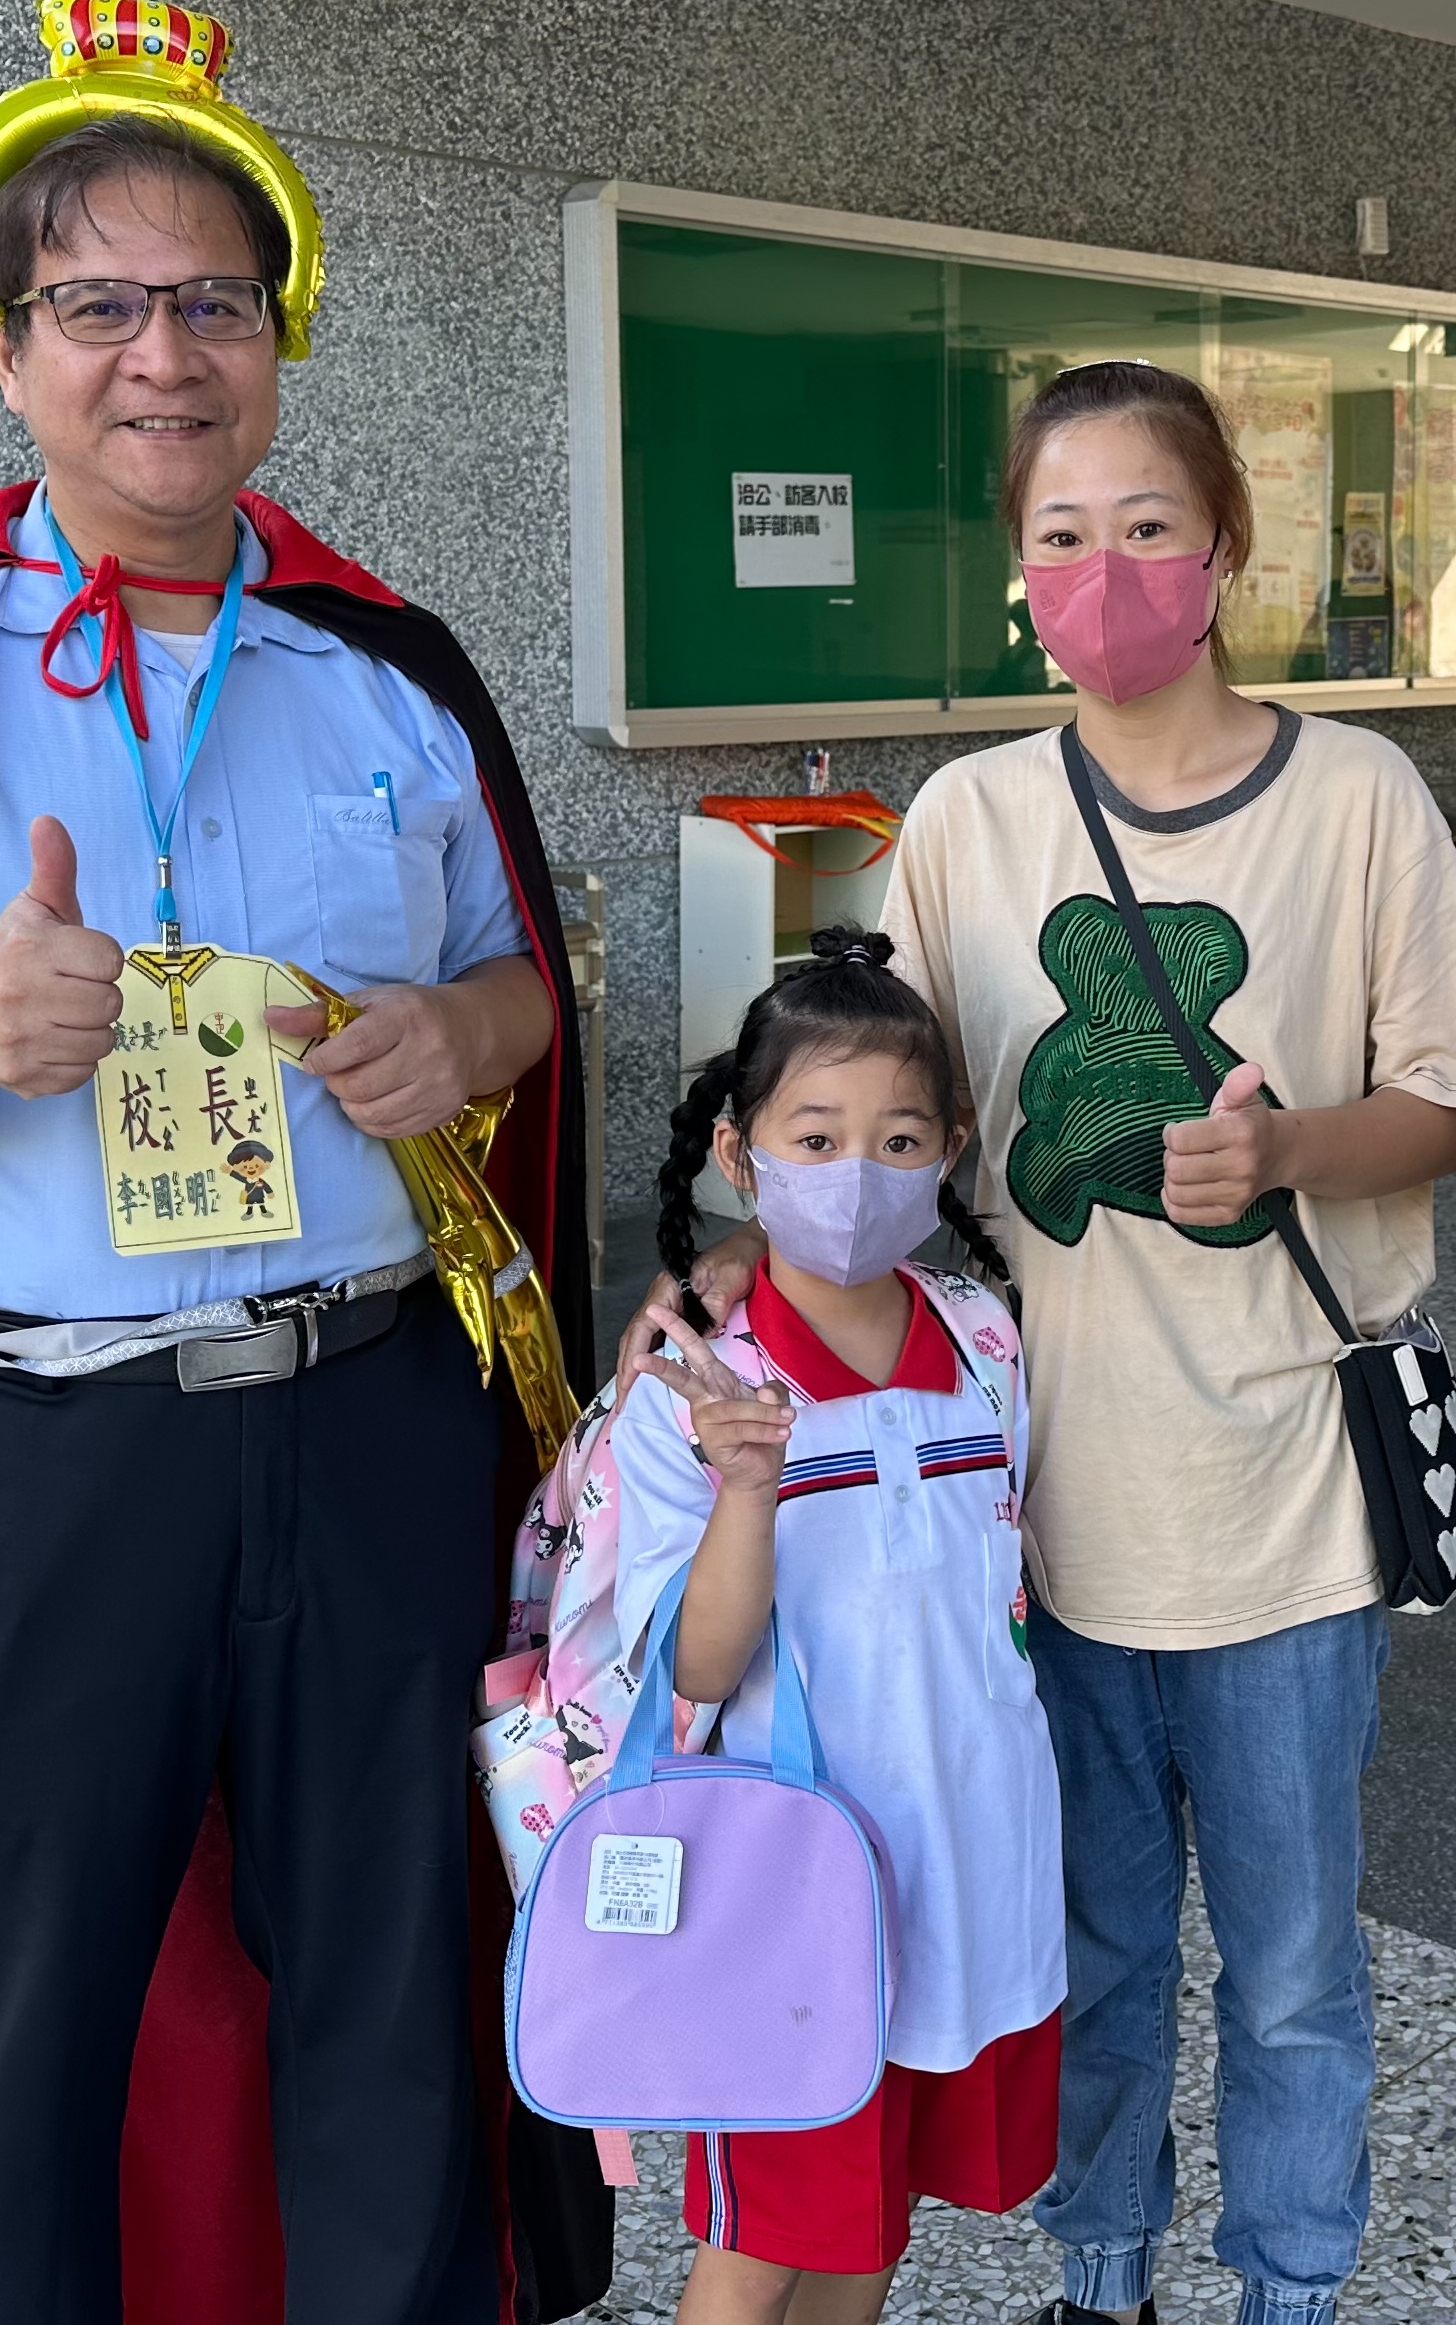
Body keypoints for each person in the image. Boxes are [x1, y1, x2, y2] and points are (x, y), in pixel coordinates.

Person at [0, 0, 607, 2323]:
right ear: (5, 354)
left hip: (367, 1418)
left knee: (396, 1990)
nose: (161, 356)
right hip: (18, 1453)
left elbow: (520, 991)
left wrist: (458, 1035)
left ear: (278, 344)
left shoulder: (389, 671)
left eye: (213, 302)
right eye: (96, 306)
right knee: (18, 2033)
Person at [641, 359, 1456, 2325]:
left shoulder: (1357, 800)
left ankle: (1288, 2286)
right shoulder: (971, 819)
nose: (1103, 572)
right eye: (1061, 535)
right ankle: (1100, 2272)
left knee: (1292, 1972)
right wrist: (718, 1270)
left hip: (1287, 1515)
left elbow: (1452, 1102)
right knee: (1096, 1949)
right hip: (1031, 1516)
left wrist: (1291, 1149)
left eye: (1146, 528)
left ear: (1225, 549)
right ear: (1016, 570)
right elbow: (870, 1113)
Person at [613, 935, 1061, 2324]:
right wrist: (747, 1492)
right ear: (739, 1155)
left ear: (950, 1150)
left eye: (899, 1139)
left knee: (874, 2227)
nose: (858, 1174)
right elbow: (695, 1669)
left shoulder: (984, 1338)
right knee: (763, 2243)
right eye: (815, 1138)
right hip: (792, 1891)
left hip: (965, 1869)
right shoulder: (696, 1384)